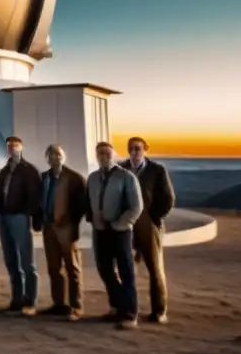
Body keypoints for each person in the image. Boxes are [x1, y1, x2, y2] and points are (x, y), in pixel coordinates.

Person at [85, 141, 143, 330]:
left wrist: (120, 223)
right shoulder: (93, 178)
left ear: (114, 155)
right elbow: (89, 201)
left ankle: (130, 313)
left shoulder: (126, 177)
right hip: (100, 231)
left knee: (126, 272)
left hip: (121, 231)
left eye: (107, 153)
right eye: (100, 153)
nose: (103, 156)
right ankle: (117, 305)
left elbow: (136, 206)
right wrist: (93, 219)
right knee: (105, 270)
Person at [122, 136, 176, 324]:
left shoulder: (157, 170)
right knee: (126, 269)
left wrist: (155, 217)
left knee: (155, 269)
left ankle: (159, 311)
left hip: (149, 225)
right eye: (131, 149)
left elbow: (168, 198)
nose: (134, 152)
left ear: (145, 149)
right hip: (127, 227)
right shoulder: (121, 169)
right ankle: (128, 310)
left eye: (137, 148)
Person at [33, 143, 87, 320]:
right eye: (50, 154)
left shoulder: (74, 179)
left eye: (57, 154)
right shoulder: (44, 178)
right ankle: (59, 304)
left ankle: (76, 306)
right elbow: (38, 202)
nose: (54, 157)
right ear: (47, 158)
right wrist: (38, 221)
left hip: (66, 228)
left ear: (63, 156)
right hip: (49, 228)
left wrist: (71, 222)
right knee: (53, 268)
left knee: (72, 267)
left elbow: (82, 206)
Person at [0, 135, 42, 315]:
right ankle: (17, 299)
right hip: (4, 217)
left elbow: (35, 196)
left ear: (21, 148)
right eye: (9, 146)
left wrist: (27, 215)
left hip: (20, 217)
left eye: (15, 146)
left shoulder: (29, 170)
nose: (12, 149)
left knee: (27, 260)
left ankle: (30, 301)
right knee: (10, 259)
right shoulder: (4, 170)